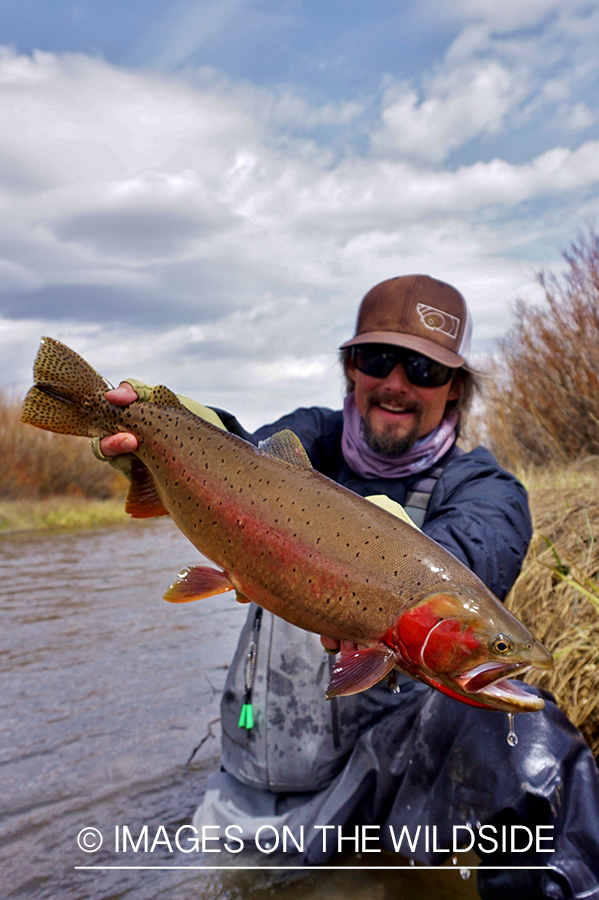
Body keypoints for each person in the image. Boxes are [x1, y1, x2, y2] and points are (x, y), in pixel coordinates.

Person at [97, 275, 599, 899]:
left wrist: (378, 594)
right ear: (351, 368)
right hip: (246, 794)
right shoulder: (308, 437)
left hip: (383, 796)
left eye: (422, 368)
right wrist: (167, 427)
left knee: (531, 735)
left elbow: (472, 557)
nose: (396, 382)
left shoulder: (486, 490)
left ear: (456, 388)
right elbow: (238, 454)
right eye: (377, 359)